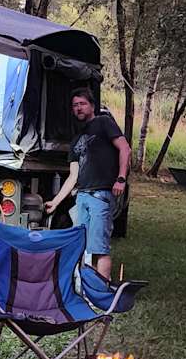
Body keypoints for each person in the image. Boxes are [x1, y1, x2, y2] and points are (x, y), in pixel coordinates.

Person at [44, 87, 130, 280]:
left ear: (92, 106)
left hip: (101, 196)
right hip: (82, 197)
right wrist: (55, 202)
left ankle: (101, 293)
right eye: (75, 105)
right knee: (82, 247)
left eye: (82, 104)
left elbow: (125, 148)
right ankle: (87, 291)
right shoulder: (75, 141)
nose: (79, 108)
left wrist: (121, 179)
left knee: (99, 247)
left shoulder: (104, 123)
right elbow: (73, 176)